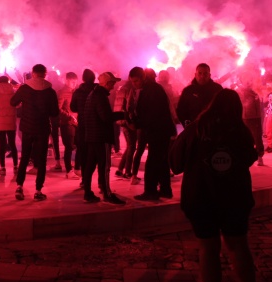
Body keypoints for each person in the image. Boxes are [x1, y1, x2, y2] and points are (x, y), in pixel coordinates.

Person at [170, 89, 258, 282]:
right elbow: (249, 157)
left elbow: (175, 163)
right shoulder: (240, 131)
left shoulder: (195, 130)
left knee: (208, 249)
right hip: (234, 198)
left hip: (200, 198)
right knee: (238, 245)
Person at [11, 64, 59, 201]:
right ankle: (38, 190)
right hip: (43, 129)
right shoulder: (50, 91)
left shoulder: (24, 89)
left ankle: (19, 187)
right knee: (41, 160)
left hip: (27, 128)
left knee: (25, 157)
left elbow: (13, 102)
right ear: (45, 74)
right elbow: (55, 112)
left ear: (33, 73)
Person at [129, 67, 177, 201]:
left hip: (158, 131)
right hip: (159, 130)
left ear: (143, 78)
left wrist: (137, 123)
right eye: (132, 82)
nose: (134, 84)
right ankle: (165, 190)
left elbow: (151, 114)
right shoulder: (149, 89)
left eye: (136, 81)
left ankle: (150, 191)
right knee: (161, 161)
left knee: (153, 161)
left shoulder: (152, 90)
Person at [82, 72, 126, 204]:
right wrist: (122, 115)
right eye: (112, 83)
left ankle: (88, 192)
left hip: (92, 136)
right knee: (105, 166)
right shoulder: (100, 96)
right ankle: (107, 193)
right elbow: (106, 117)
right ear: (107, 83)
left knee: (90, 165)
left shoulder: (92, 94)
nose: (113, 86)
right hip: (101, 137)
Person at [70, 69, 96, 187]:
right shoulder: (97, 91)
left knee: (84, 153)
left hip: (82, 125)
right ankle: (100, 183)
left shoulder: (78, 92)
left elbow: (73, 108)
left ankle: (85, 180)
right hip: (95, 126)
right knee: (95, 154)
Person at [177, 63, 223, 127]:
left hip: (213, 129)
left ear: (209, 75)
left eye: (205, 74)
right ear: (195, 75)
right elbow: (181, 110)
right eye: (200, 73)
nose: (202, 76)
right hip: (193, 129)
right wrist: (187, 125)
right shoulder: (188, 91)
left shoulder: (217, 89)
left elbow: (223, 108)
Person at [0, 76, 18, 175]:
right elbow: (18, 105)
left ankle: (2, 167)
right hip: (11, 122)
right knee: (12, 144)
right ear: (8, 82)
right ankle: (15, 166)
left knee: (1, 145)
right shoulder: (13, 94)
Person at [235, 72, 265, 166]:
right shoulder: (239, 90)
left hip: (256, 117)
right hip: (245, 117)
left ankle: (260, 156)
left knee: (257, 137)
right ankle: (247, 155)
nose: (247, 81)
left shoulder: (256, 89)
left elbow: (264, 98)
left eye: (249, 79)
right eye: (245, 78)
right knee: (246, 137)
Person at [57, 72, 79, 179]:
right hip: (67, 124)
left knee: (77, 145)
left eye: (76, 82)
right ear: (67, 81)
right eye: (72, 82)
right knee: (69, 147)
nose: (74, 84)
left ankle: (75, 168)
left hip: (76, 123)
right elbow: (58, 109)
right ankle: (69, 170)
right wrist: (69, 116)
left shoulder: (75, 92)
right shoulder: (62, 92)